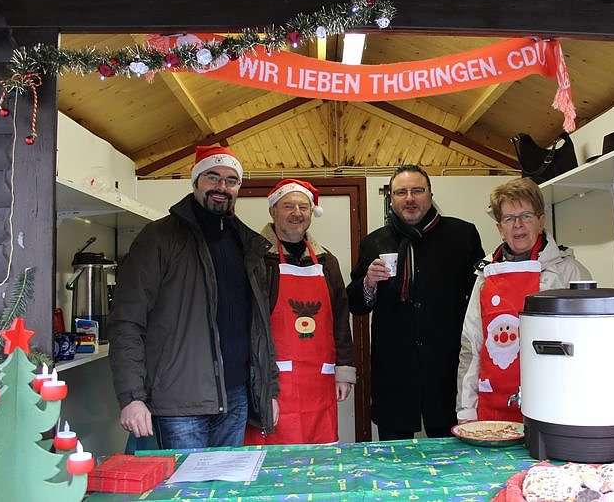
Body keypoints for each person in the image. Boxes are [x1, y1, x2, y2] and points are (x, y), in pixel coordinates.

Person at [109, 145, 279, 450]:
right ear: (196, 181)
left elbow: (259, 329)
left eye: (231, 181)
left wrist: (269, 390)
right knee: (185, 494)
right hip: (180, 402)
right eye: (212, 177)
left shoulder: (246, 244)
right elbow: (126, 322)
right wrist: (132, 397)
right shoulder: (158, 238)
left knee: (225, 493)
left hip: (236, 396)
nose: (222, 187)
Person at [347, 164, 484, 440]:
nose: (409, 198)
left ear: (430, 195)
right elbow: (356, 304)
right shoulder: (374, 242)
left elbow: (480, 297)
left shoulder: (462, 235)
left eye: (417, 191)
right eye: (401, 192)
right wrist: (368, 283)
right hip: (394, 372)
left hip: (447, 368)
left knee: (451, 459)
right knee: (393, 462)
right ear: (391, 198)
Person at [456, 177, 592, 423]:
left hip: (554, 407)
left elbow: (588, 346)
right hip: (492, 409)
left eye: (526, 216)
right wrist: (466, 410)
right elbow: (472, 346)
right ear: (500, 227)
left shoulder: (569, 272)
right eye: (509, 219)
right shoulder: (485, 275)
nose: (518, 225)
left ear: (541, 221)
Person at [245, 178, 355, 445]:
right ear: (272, 211)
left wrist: (344, 370)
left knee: (319, 459)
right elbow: (248, 322)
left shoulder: (327, 261)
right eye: (288, 206)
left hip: (320, 381)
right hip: (272, 381)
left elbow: (340, 318)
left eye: (303, 207)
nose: (297, 213)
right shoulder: (256, 258)